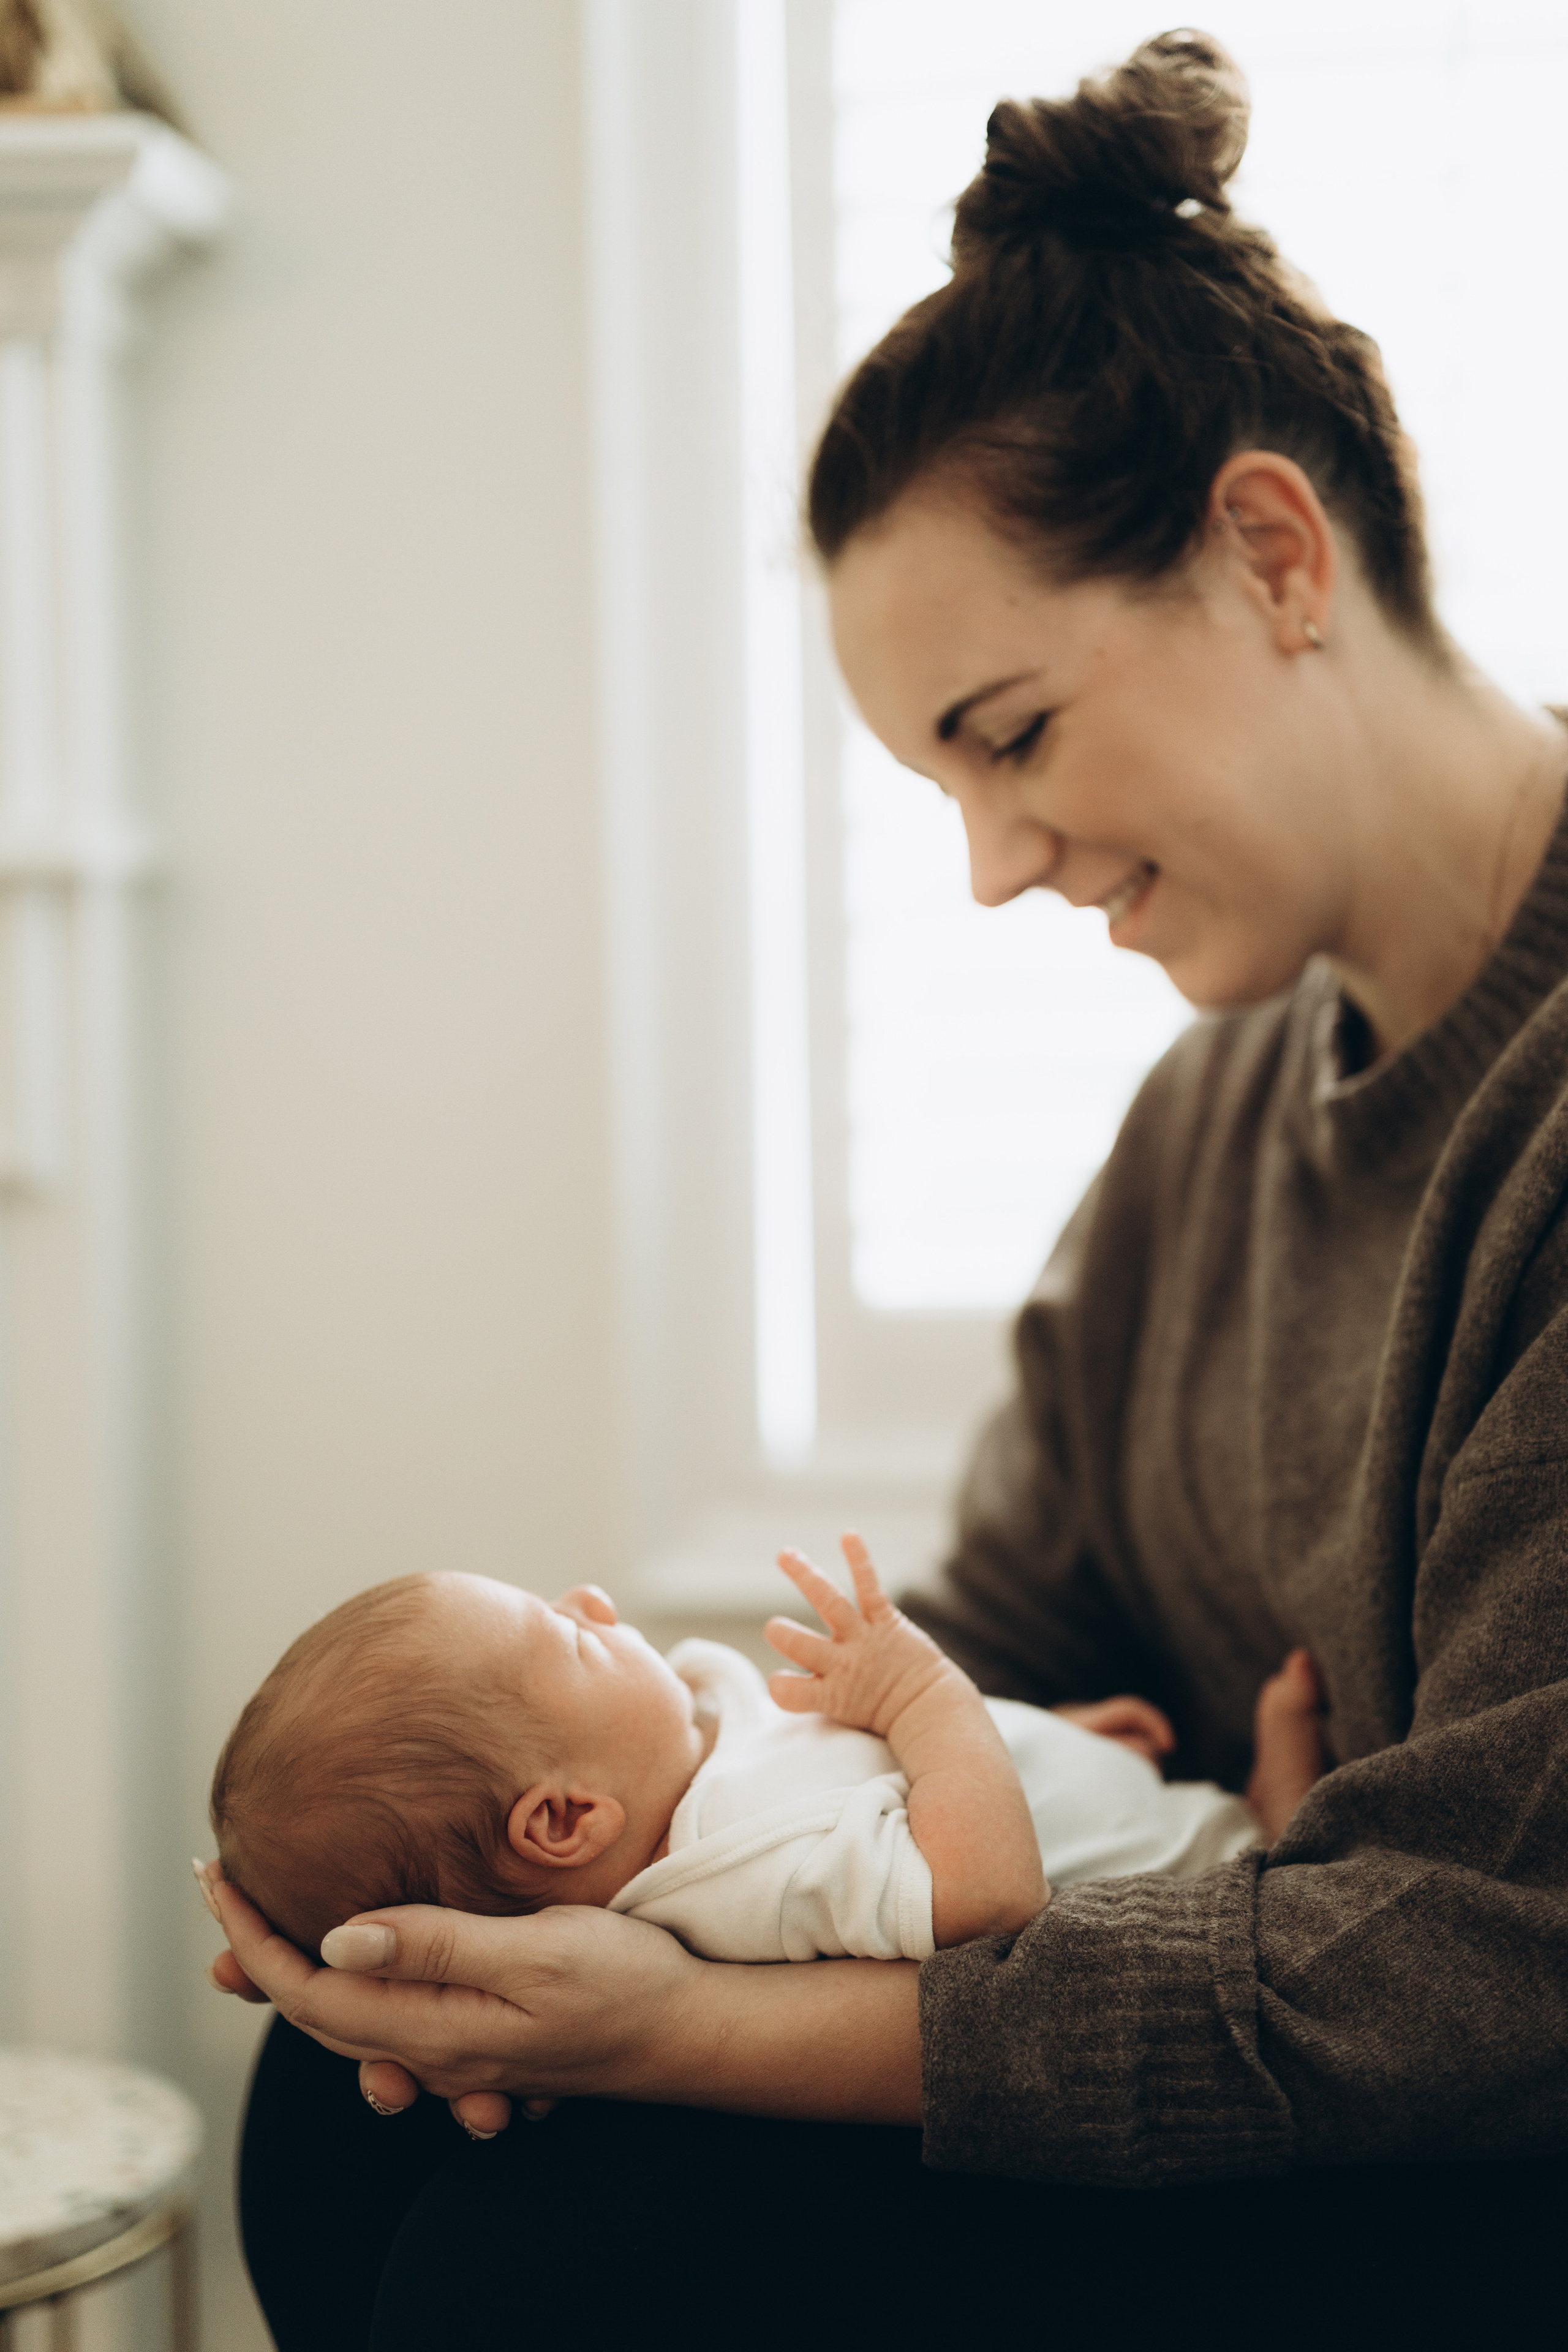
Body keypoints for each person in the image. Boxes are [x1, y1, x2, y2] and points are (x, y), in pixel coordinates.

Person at [204, 27, 1568, 2345]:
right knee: (328, 2109)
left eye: (1011, 739)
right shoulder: (1216, 1115)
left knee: (566, 2260)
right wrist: (591, 1886)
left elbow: (1478, 1974)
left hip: (1479, 2137)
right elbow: (1012, 1629)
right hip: (1211, 1955)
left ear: (1270, 551)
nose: (994, 866)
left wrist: (682, 2026)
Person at [206, 1545, 1304, 1966]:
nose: (592, 1597)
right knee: (1283, 1866)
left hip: (1058, 1789)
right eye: (573, 1635)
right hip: (1198, 1905)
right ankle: (1277, 1830)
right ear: (561, 1821)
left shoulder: (692, 1758)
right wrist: (932, 1699)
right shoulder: (744, 1864)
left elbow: (871, 1766)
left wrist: (1033, 1737)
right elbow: (988, 1899)